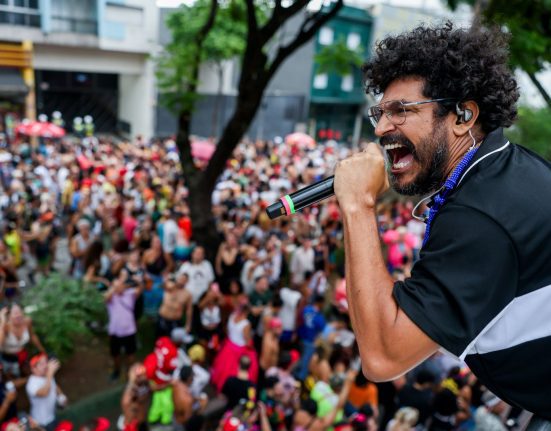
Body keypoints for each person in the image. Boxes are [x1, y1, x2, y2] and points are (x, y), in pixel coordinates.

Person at [333, 22, 551, 426]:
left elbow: (383, 356)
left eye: (400, 111)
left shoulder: (483, 214)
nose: (381, 129)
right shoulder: (502, 170)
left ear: (463, 115)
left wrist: (358, 204)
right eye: (380, 113)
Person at [26, 354, 67, 431]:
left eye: (46, 362)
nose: (46, 366)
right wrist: (50, 374)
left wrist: (61, 396)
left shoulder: (48, 376)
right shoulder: (31, 383)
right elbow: (44, 393)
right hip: (41, 423)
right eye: (41, 364)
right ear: (33, 368)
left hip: (52, 416)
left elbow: (55, 386)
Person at [156, 273, 192, 338]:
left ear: (187, 282)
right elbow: (161, 286)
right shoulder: (170, 286)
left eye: (184, 280)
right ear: (177, 278)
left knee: (173, 340)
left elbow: (189, 310)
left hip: (175, 321)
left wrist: (188, 324)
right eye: (181, 279)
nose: (182, 281)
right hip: (163, 317)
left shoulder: (187, 294)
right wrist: (167, 281)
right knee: (160, 338)